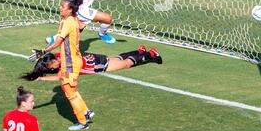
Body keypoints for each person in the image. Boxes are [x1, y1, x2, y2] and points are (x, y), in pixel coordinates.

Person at [38, 0, 92, 131]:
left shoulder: (67, 22)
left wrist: (43, 51)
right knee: (69, 88)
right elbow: (82, 27)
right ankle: (86, 112)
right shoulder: (72, 19)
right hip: (74, 60)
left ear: (70, 10)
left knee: (69, 92)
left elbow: (58, 42)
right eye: (60, 6)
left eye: (63, 7)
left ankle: (82, 122)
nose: (60, 8)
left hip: (71, 63)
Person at [25, 45, 163, 82]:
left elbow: (59, 77)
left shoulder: (64, 66)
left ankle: (150, 54)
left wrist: (41, 78)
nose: (57, 63)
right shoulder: (58, 54)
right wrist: (42, 53)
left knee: (126, 64)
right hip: (93, 57)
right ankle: (139, 51)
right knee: (116, 59)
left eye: (54, 63)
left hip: (96, 65)